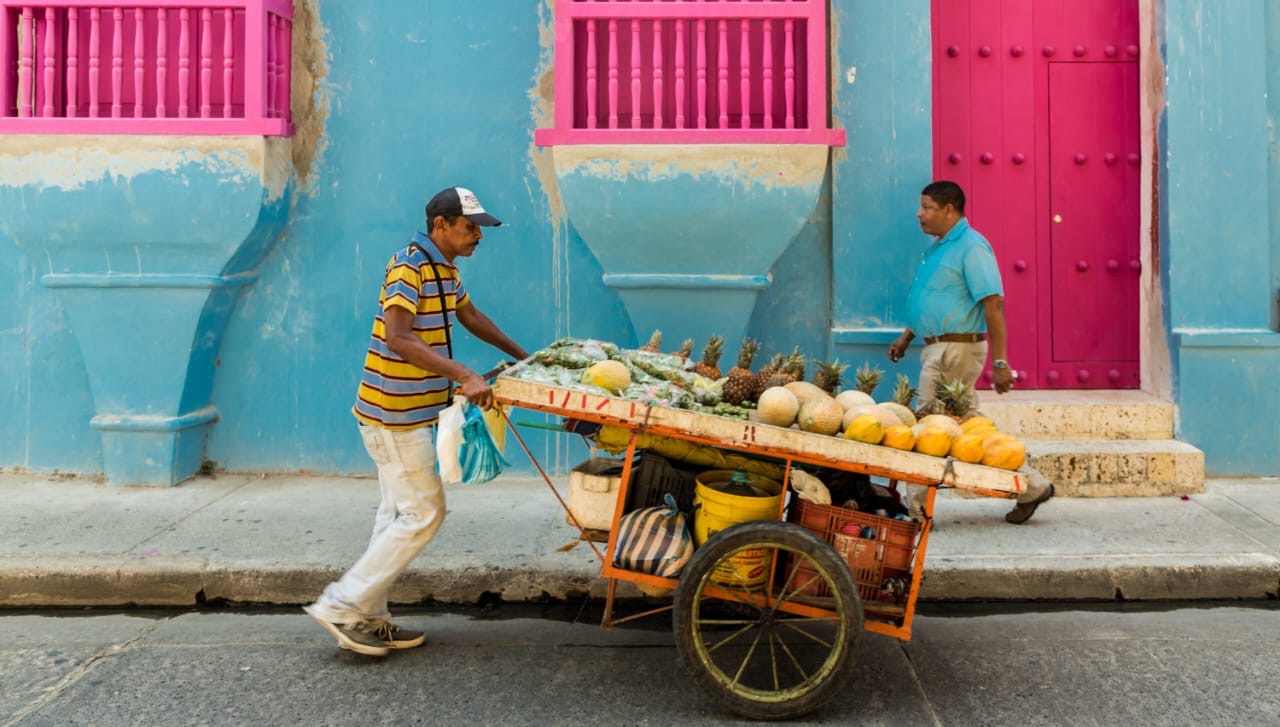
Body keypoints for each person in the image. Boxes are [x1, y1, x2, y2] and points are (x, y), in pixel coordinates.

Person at [304, 186, 529, 656]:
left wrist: (526, 357)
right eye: (470, 227)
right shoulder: (409, 266)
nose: (478, 237)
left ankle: (370, 615)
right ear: (440, 225)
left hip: (408, 414)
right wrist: (465, 374)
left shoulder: (444, 269)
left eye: (480, 229)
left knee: (394, 515)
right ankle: (340, 604)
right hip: (393, 416)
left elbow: (470, 316)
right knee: (425, 512)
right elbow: (398, 338)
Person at [887, 180, 1053, 525]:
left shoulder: (971, 246)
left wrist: (1001, 361)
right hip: (939, 346)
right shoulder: (938, 248)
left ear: (949, 210)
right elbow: (939, 299)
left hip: (955, 350)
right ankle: (1032, 485)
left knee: (927, 426)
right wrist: (907, 336)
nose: (920, 214)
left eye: (928, 207)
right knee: (968, 427)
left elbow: (993, 303)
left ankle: (916, 510)